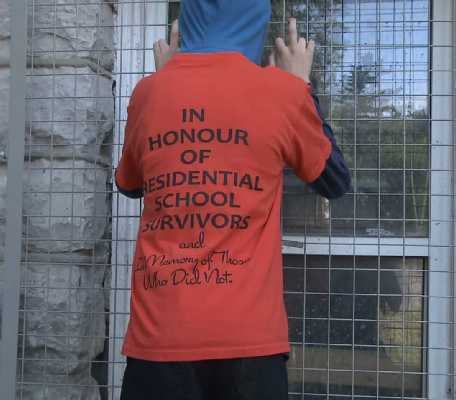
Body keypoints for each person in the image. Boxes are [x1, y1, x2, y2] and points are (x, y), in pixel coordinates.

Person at [114, 1, 350, 399]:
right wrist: (300, 87)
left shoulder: (148, 94)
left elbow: (132, 184)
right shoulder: (281, 93)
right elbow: (334, 180)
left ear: (188, 23)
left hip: (160, 338)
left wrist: (169, 82)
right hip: (249, 344)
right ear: (255, 22)